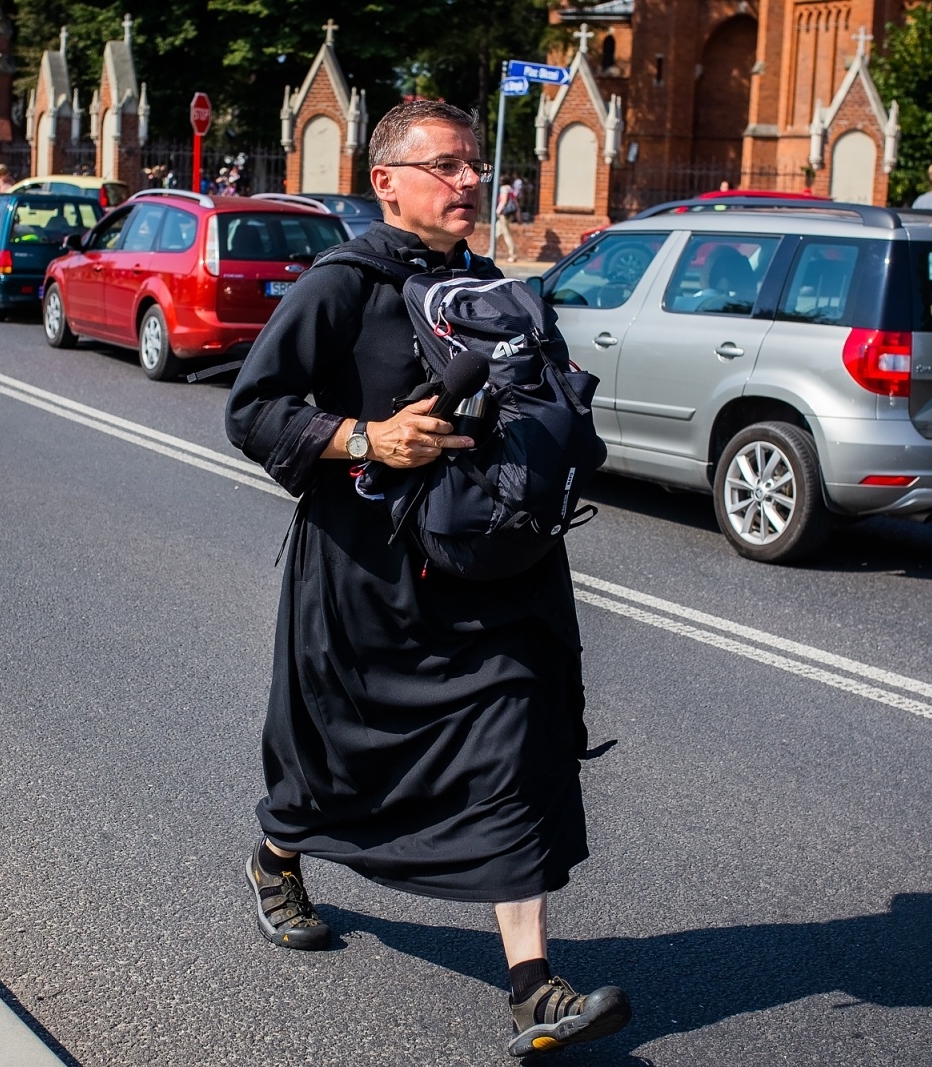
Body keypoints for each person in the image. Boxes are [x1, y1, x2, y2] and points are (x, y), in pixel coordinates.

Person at [225, 99, 631, 1059]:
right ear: (387, 182)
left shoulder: (492, 286)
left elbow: (538, 400)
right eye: (445, 167)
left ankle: (534, 988)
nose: (468, 182)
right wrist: (367, 436)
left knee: (516, 745)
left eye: (471, 165)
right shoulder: (342, 283)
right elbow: (253, 410)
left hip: (487, 571)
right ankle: (279, 856)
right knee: (336, 755)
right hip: (365, 573)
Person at [494, 175, 519, 262]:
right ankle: (491, 252)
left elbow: (503, 201)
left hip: (503, 214)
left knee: (506, 234)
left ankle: (513, 255)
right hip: (509, 214)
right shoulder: (511, 189)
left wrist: (498, 211)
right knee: (496, 233)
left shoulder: (504, 188)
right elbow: (515, 202)